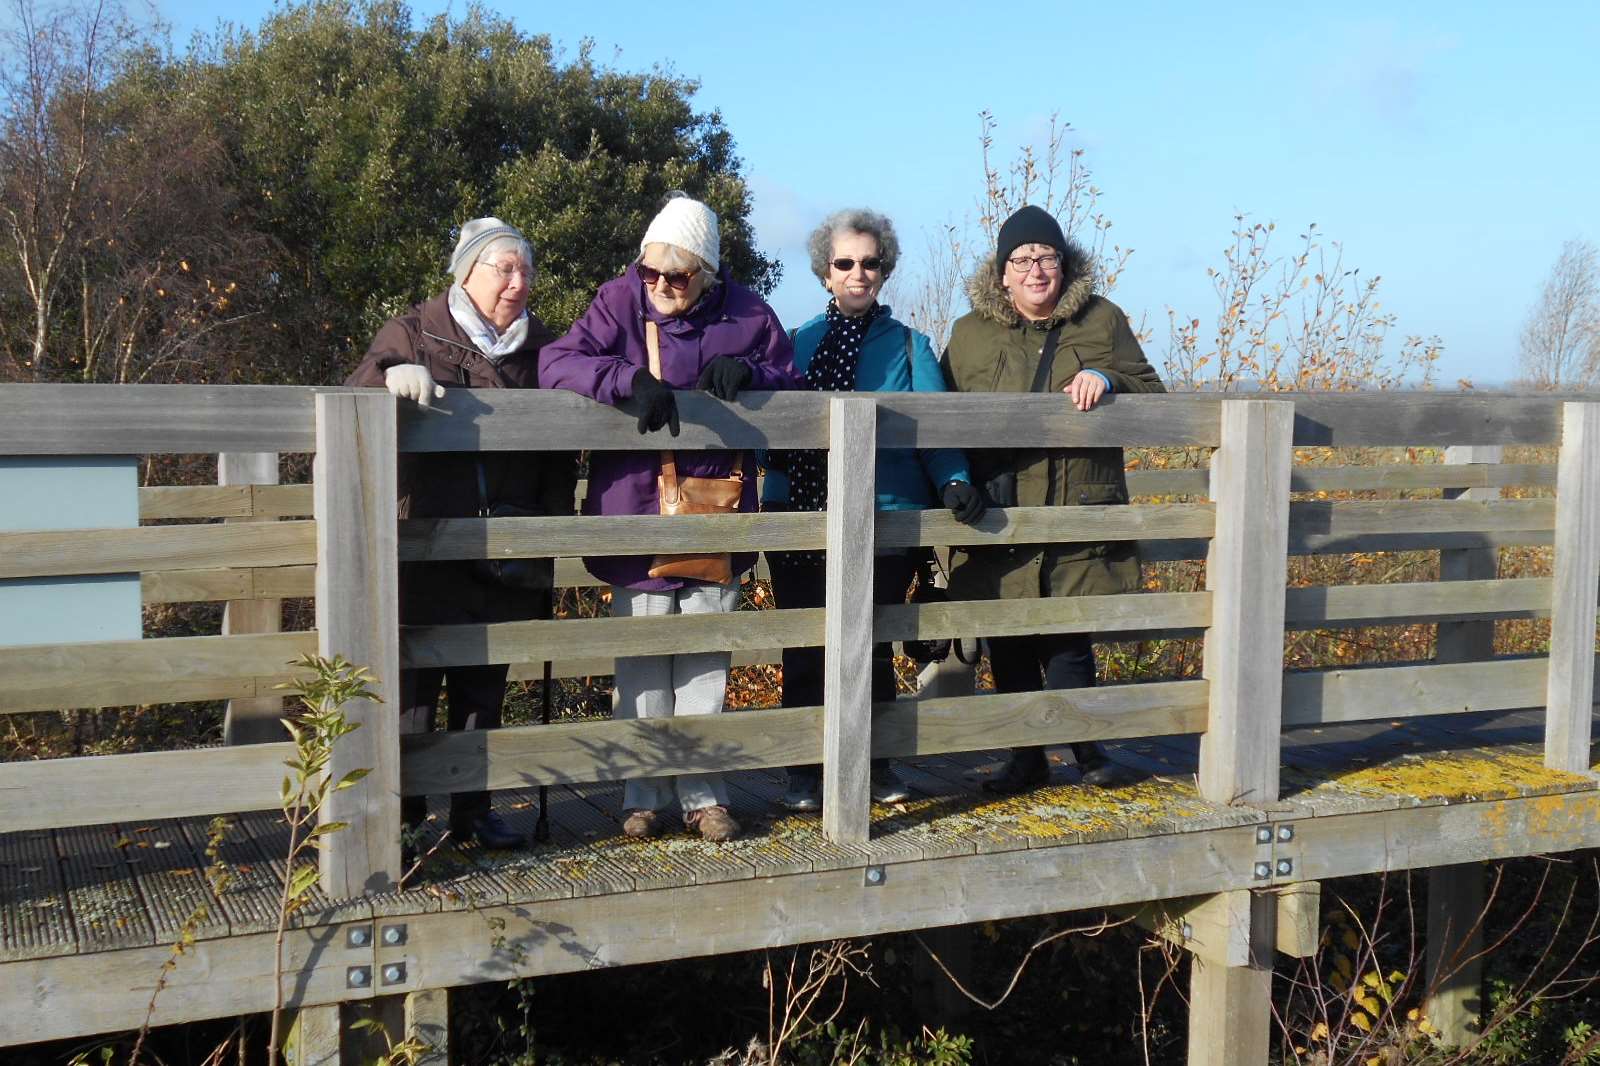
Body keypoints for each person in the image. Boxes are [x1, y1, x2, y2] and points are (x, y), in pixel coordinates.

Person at [539, 193, 800, 842]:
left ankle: (704, 796)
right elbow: (558, 363)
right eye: (650, 272)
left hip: (718, 512)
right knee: (644, 663)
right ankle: (644, 794)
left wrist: (752, 372)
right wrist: (626, 381)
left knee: (706, 666)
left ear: (707, 273)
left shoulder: (749, 313)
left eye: (676, 277)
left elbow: (793, 383)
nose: (659, 286)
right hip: (634, 507)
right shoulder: (617, 301)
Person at [346, 217, 577, 851]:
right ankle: (406, 816)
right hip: (427, 544)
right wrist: (387, 380)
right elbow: (352, 395)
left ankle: (474, 812)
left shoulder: (545, 350)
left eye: (525, 269)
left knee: (485, 685)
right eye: (503, 268)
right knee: (415, 689)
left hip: (506, 547)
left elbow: (562, 452)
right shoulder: (413, 332)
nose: (518, 281)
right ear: (466, 272)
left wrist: (544, 537)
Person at [762, 208, 985, 813]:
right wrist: (775, 512)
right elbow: (774, 439)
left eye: (870, 262)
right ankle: (805, 772)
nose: (858, 273)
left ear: (884, 271)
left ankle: (876, 764)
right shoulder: (796, 342)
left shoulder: (912, 347)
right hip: (804, 520)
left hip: (886, 519)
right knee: (805, 647)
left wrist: (956, 479)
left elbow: (936, 429)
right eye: (845, 263)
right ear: (825, 272)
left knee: (873, 645)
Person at [941, 204, 1165, 793]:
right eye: (1023, 259)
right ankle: (1026, 757)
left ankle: (1089, 752)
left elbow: (1155, 394)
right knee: (1009, 636)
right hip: (1000, 511)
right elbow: (938, 415)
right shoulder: (968, 334)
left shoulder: (1103, 321)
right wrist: (955, 483)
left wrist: (1109, 381)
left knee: (1069, 635)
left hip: (1076, 507)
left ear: (1064, 266)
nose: (1037, 269)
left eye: (1047, 257)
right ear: (1002, 272)